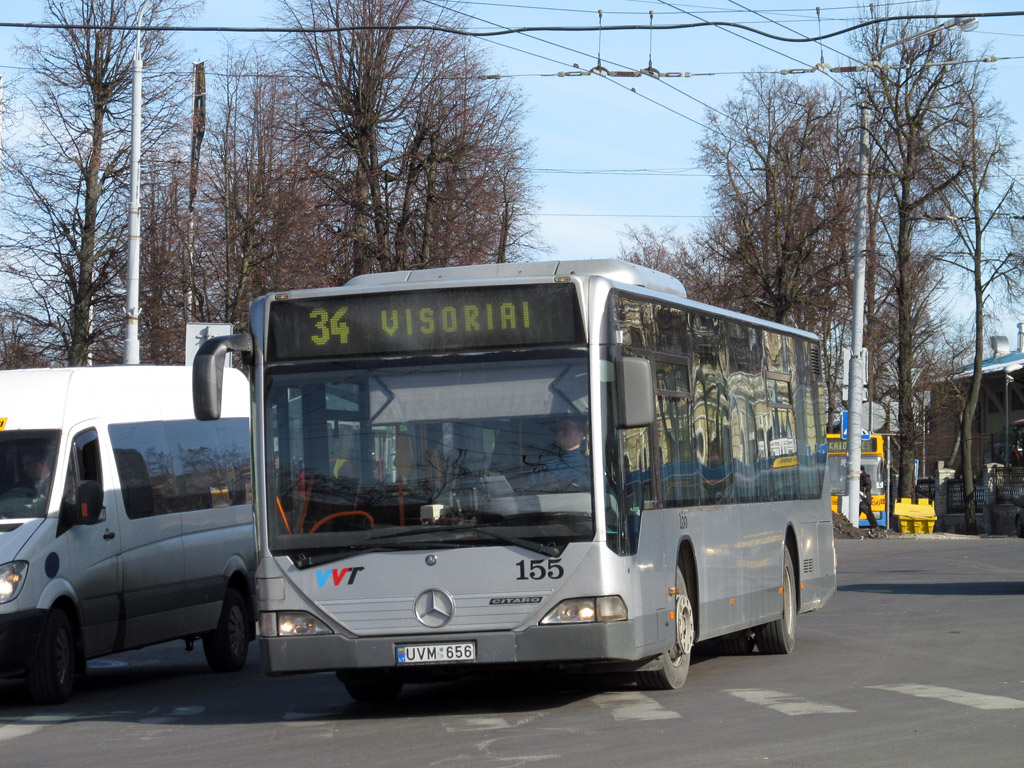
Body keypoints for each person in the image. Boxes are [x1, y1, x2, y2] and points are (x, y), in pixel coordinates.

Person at [528, 417, 591, 490]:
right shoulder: (544, 467)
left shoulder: (591, 465)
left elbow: (602, 489)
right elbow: (528, 493)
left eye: (566, 429)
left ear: (580, 435)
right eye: (557, 430)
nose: (560, 433)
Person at [0, 442, 53, 517]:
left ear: (41, 463)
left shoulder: (55, 484)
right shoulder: (24, 486)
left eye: (28, 464)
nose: (24, 469)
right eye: (24, 465)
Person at [859, 465, 880, 532]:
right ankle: (875, 526)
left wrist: (862, 490)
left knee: (868, 513)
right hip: (862, 498)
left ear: (861, 470)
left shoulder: (865, 477)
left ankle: (875, 526)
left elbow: (868, 486)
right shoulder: (861, 477)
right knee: (865, 512)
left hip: (864, 498)